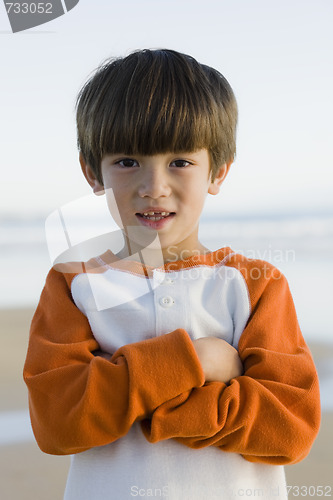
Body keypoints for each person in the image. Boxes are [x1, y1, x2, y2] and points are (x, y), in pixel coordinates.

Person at [23, 49, 320, 500]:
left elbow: (290, 428)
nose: (154, 186)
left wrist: (142, 403)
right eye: (127, 162)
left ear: (217, 172)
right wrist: (197, 362)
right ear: (92, 171)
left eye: (180, 162)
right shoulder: (74, 283)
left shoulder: (256, 284)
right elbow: (58, 422)